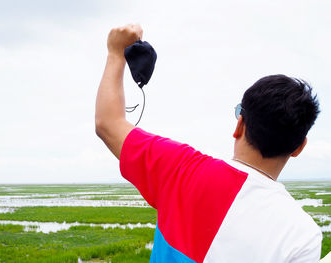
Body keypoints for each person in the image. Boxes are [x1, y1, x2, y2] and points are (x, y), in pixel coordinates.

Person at [95, 24, 322, 263]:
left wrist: (115, 51)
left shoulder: (181, 168)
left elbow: (107, 123)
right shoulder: (303, 237)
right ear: (299, 147)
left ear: (240, 125)